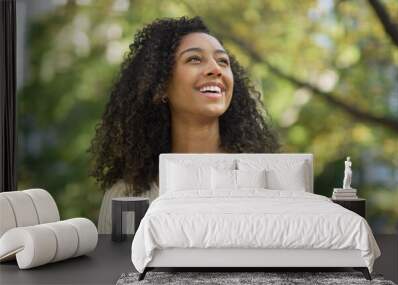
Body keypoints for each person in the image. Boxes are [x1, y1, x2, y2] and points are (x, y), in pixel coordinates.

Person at [88, 16, 280, 233]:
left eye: (223, 61)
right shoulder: (124, 198)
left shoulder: (262, 180)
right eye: (194, 59)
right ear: (160, 87)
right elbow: (115, 267)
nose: (215, 69)